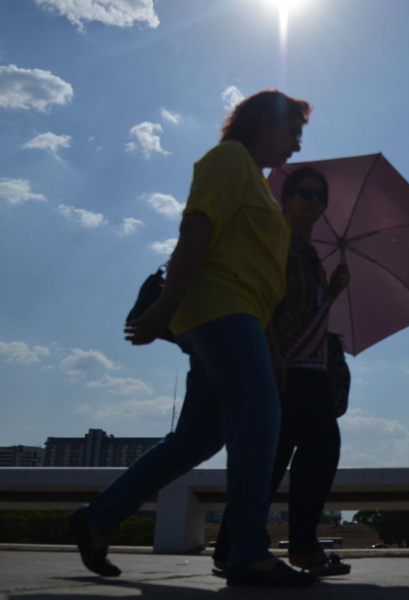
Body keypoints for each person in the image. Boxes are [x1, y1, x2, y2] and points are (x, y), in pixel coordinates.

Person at [69, 89, 317, 588]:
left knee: (199, 437)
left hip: (241, 314)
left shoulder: (258, 186)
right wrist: (163, 308)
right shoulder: (228, 160)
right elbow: (196, 232)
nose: (295, 146)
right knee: (259, 421)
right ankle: (247, 550)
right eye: (292, 132)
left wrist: (271, 348)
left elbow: (255, 277)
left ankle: (98, 518)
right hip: (219, 310)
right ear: (264, 125)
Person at [212, 167, 352, 578]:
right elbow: (264, 300)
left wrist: (333, 292)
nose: (314, 201)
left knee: (276, 456)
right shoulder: (279, 243)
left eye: (320, 197)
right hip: (286, 365)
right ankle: (302, 548)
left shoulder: (309, 253)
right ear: (286, 199)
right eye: (305, 193)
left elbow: (304, 308)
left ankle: (230, 547)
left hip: (308, 367)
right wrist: (271, 355)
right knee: (317, 448)